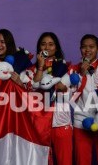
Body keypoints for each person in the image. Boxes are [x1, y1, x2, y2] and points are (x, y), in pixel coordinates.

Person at [68, 34, 98, 165]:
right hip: (81, 121)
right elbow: (69, 96)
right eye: (84, 47)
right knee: (82, 161)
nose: (87, 50)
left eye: (91, 47)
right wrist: (81, 74)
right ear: (80, 49)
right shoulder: (72, 70)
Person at [25, 32, 72, 165]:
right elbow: (33, 88)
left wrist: (60, 85)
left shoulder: (66, 68)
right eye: (43, 44)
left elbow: (69, 94)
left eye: (51, 44)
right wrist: (40, 66)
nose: (47, 47)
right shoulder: (31, 69)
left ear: (56, 48)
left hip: (60, 122)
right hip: (39, 124)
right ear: (39, 47)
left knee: (65, 162)